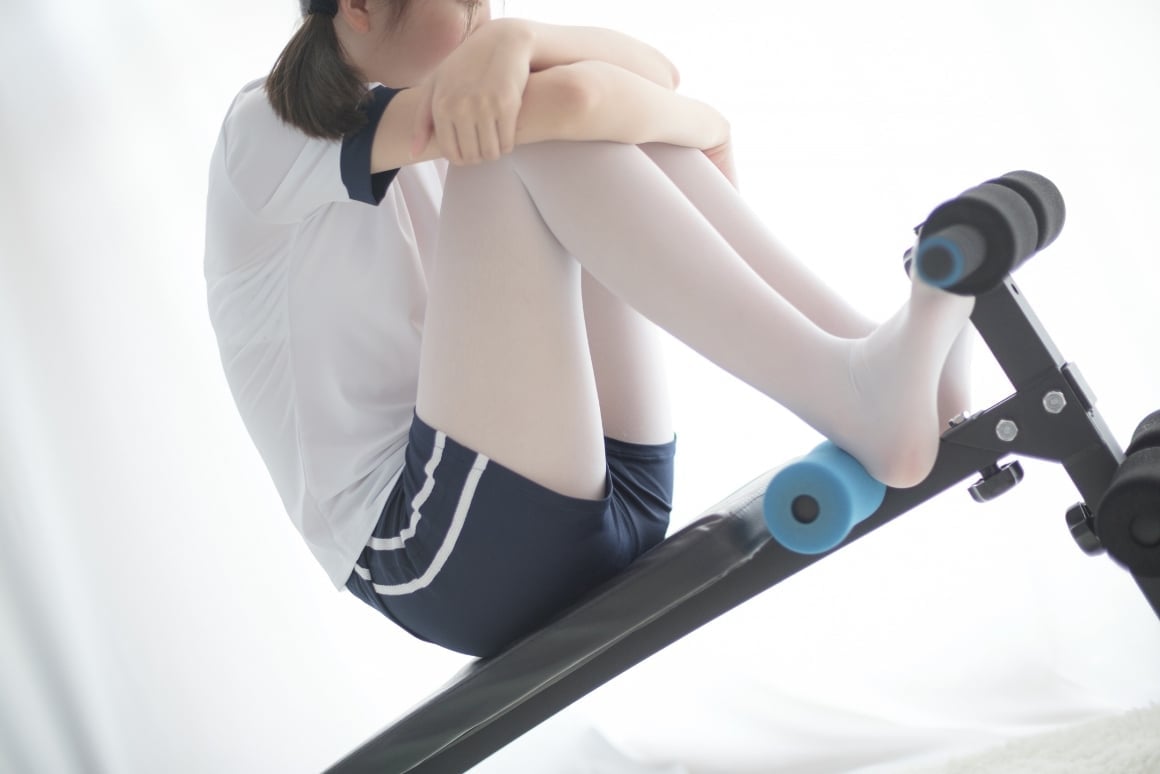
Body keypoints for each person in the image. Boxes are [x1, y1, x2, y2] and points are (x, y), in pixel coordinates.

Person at [204, 0, 972, 657]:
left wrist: (525, 41)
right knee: (518, 136)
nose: (483, 18)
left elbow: (651, 76)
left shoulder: (473, 73)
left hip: (605, 485)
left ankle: (869, 363)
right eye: (462, 4)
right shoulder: (266, 131)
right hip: (435, 550)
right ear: (360, 8)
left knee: (583, 117)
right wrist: (703, 126)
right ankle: (853, 394)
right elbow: (578, 103)